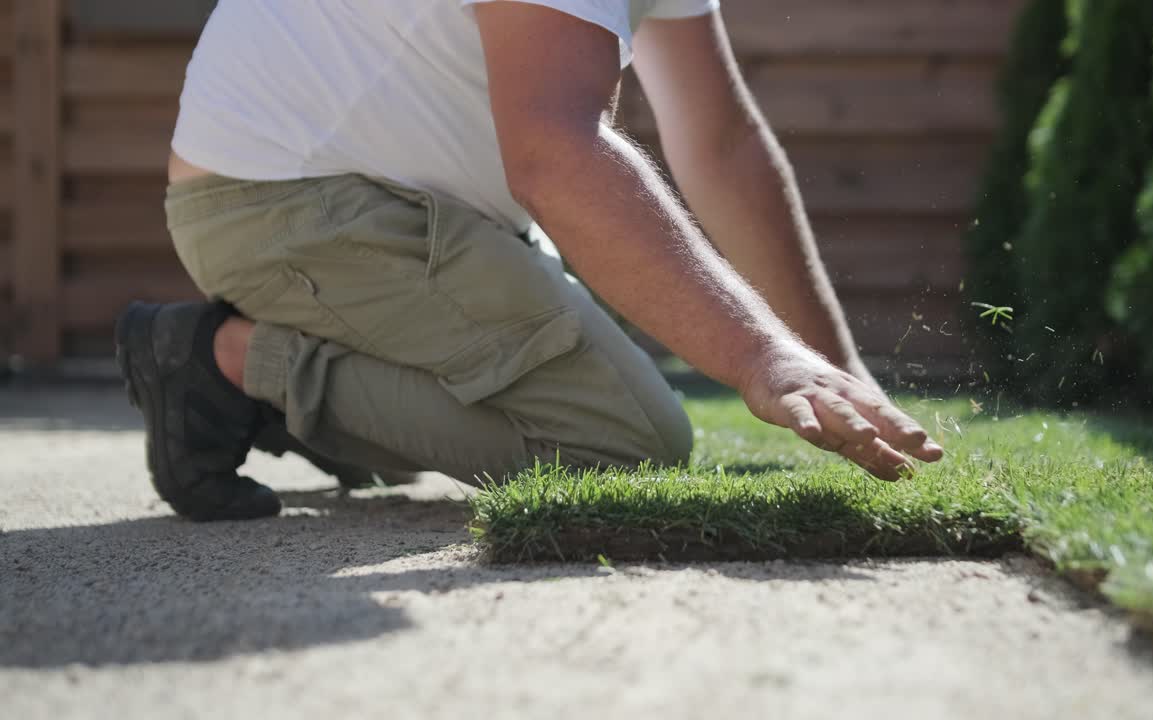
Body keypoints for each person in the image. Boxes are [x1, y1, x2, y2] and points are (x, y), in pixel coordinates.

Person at [116, 0, 945, 522]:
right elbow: (553, 152)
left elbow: (721, 144)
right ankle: (223, 363)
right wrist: (760, 356)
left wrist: (835, 374)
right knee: (623, 438)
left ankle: (304, 385)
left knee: (597, 337)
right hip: (287, 203)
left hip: (344, 198)